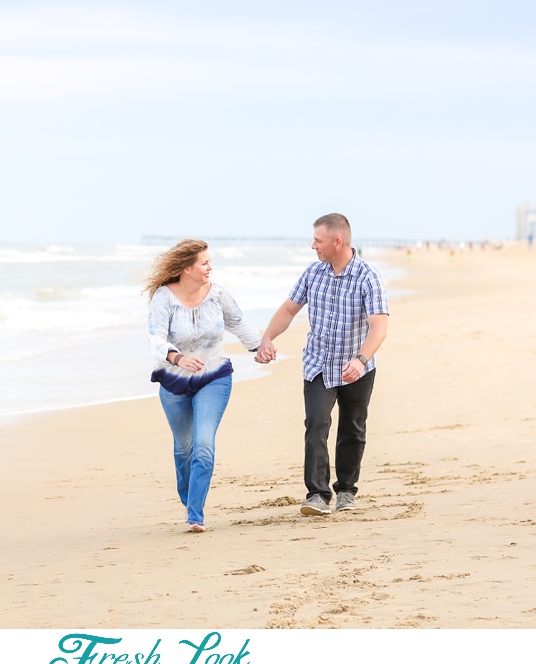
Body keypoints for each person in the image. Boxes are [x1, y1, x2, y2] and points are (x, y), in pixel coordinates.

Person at [255, 213, 390, 516]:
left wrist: (361, 359)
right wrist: (267, 338)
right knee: (316, 423)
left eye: (318, 241)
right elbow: (289, 310)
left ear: (337, 242)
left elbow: (379, 327)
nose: (313, 246)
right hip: (318, 363)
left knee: (352, 430)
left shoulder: (368, 277)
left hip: (357, 367)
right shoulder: (313, 274)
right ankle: (317, 494)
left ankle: (346, 490)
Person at [146, 239, 262, 532]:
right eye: (205, 263)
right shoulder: (164, 297)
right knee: (184, 448)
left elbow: (238, 322)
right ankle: (188, 498)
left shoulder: (218, 294)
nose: (211, 267)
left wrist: (260, 347)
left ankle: (195, 514)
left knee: (204, 444)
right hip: (174, 382)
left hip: (214, 377)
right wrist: (177, 357)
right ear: (187, 268)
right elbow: (156, 339)